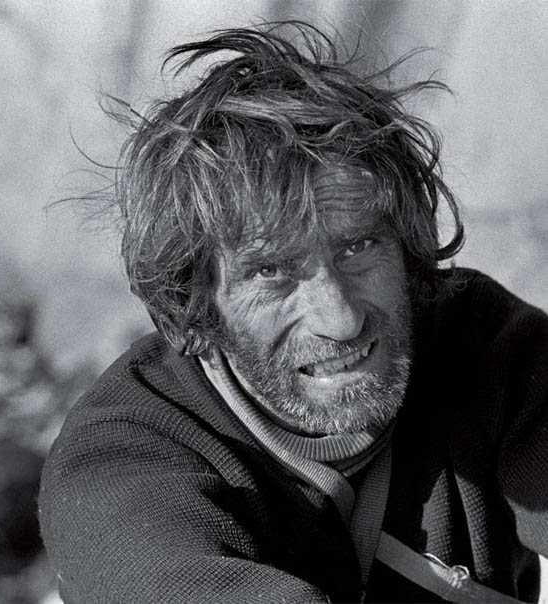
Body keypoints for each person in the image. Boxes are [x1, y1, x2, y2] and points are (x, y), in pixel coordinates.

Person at [38, 21, 548, 603]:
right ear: (195, 301)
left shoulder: (483, 344)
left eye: (359, 248)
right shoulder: (123, 465)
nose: (340, 319)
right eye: (270, 273)